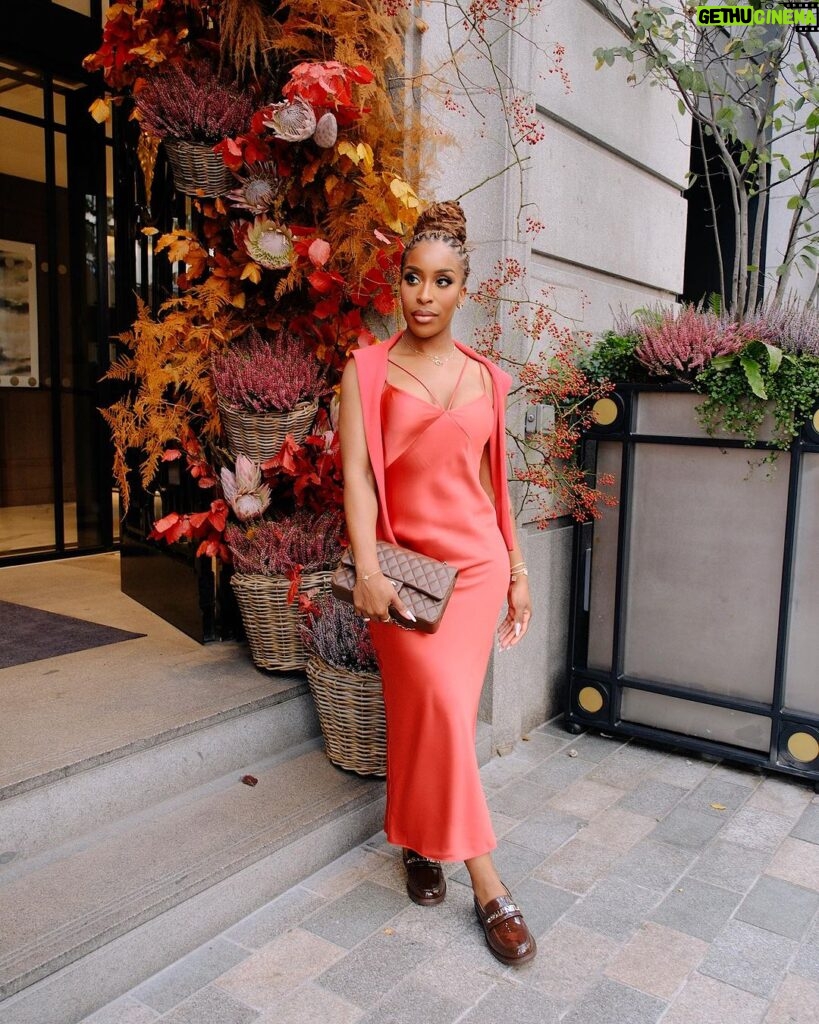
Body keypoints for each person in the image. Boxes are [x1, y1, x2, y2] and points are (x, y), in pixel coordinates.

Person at [339, 200, 536, 965]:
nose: (424, 294)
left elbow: (495, 488)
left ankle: (419, 843)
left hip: (477, 569)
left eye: (441, 280)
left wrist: (517, 573)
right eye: (413, 277)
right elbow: (356, 478)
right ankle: (488, 883)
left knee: (439, 714)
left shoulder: (490, 379)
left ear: (464, 291)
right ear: (398, 284)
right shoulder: (366, 371)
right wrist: (364, 567)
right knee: (439, 710)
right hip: (404, 576)